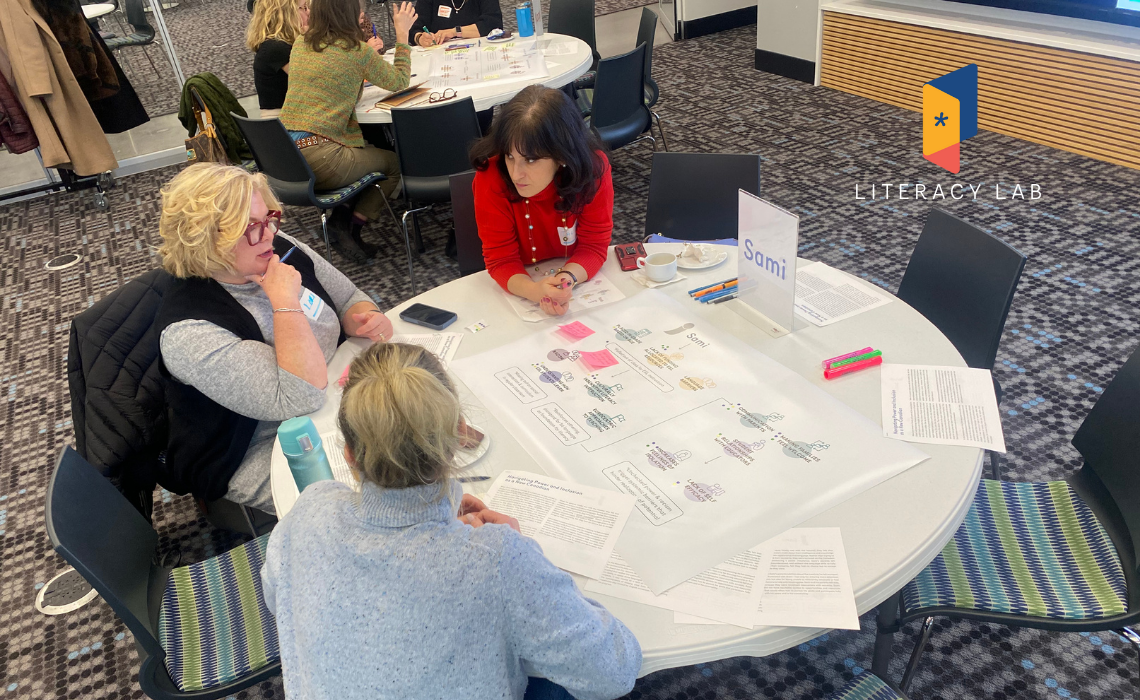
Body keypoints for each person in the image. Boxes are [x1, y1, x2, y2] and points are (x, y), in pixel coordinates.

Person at [262, 342, 642, 700]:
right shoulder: (498, 559)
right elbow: (614, 673)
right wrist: (523, 563)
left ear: (348, 454)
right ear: (461, 432)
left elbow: (278, 598)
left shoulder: (310, 509)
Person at [154, 162, 394, 512]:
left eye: (268, 218)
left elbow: (348, 296)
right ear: (204, 239)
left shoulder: (274, 246)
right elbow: (299, 397)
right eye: (249, 227)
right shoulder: (189, 332)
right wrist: (283, 302)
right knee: (376, 506)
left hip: (336, 397)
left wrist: (362, 317)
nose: (268, 234)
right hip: (262, 446)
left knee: (419, 445)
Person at [279, 0, 418, 263]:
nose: (363, 14)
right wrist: (402, 35)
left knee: (363, 153)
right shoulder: (356, 51)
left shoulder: (301, 43)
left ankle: (341, 222)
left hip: (287, 159)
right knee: (392, 162)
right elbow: (399, 80)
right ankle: (349, 228)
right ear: (350, 14)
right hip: (322, 159)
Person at [471, 85, 613, 316]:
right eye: (510, 156)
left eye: (530, 160)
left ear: (562, 156)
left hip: (572, 269)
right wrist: (534, 291)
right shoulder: (491, 176)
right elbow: (500, 259)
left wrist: (565, 280)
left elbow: (594, 245)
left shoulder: (593, 169)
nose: (516, 174)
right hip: (517, 280)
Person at [246, 0, 309, 118]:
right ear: (287, 14)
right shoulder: (276, 48)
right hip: (286, 127)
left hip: (295, 118)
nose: (309, 12)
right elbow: (315, 81)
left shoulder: (278, 44)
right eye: (303, 8)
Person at [412, 0, 501, 46]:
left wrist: (455, 32)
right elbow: (413, 28)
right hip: (438, 58)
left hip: (480, 52)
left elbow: (493, 25)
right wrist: (420, 39)